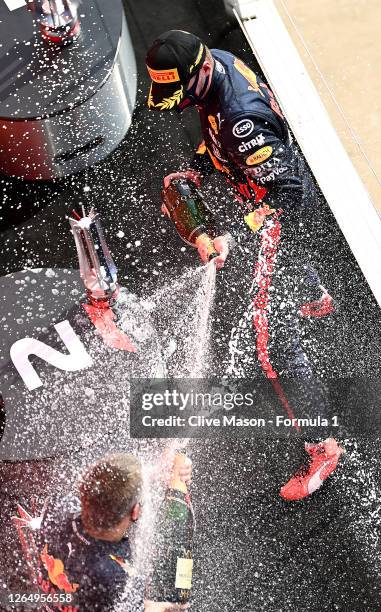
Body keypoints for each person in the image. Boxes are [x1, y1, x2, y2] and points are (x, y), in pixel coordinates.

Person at [145, 30, 343, 501]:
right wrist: (199, 166)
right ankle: (315, 297)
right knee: (290, 264)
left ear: (200, 73)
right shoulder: (217, 62)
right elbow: (216, 132)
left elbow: (287, 195)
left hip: (278, 212)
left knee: (272, 344)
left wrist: (234, 235)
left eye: (179, 95)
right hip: (261, 191)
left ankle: (323, 447)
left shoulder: (241, 123)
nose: (176, 105)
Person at [40, 452, 192, 611]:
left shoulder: (56, 506)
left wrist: (153, 473)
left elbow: (102, 489)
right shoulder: (117, 576)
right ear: (135, 512)